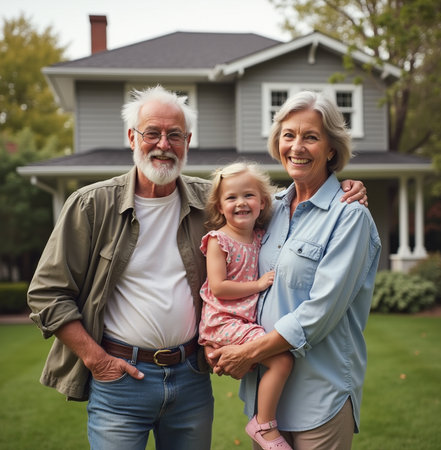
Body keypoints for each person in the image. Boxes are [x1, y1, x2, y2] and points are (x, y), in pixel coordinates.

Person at [27, 85, 368, 450]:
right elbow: (47, 294)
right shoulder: (92, 205)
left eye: (174, 134)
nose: (163, 144)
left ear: (187, 141)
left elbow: (275, 202)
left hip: (190, 379)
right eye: (152, 133)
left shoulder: (209, 201)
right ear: (131, 138)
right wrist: (97, 361)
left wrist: (343, 187)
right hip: (121, 380)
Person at [207, 91, 381, 450]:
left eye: (310, 137)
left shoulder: (349, 216)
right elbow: (223, 191)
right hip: (267, 401)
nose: (297, 147)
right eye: (289, 135)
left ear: (331, 149)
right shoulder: (270, 209)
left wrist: (248, 353)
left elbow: (320, 312)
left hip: (319, 395)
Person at [198, 161, 293, 450]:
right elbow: (219, 288)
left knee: (271, 359)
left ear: (263, 202)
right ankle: (263, 425)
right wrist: (259, 284)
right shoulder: (218, 241)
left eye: (248, 195)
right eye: (231, 197)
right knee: (281, 359)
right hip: (223, 321)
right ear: (219, 206)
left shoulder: (262, 237)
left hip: (242, 323)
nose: (241, 203)